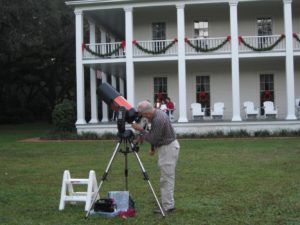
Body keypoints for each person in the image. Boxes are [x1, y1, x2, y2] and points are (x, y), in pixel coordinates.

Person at [131, 100, 180, 214]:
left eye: (142, 115)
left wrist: (141, 130)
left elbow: (153, 138)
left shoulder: (158, 119)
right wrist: (153, 148)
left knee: (166, 179)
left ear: (147, 113)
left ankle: (168, 206)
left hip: (168, 148)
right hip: (166, 147)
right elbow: (156, 135)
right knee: (165, 178)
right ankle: (167, 203)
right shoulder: (155, 115)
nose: (142, 118)